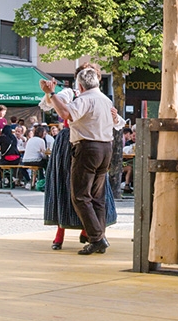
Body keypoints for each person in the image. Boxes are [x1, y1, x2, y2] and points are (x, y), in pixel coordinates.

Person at [41, 64, 123, 255]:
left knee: (80, 195)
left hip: (87, 147)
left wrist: (51, 94)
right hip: (105, 147)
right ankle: (98, 236)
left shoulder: (85, 98)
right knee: (98, 196)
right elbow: (116, 122)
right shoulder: (104, 99)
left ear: (81, 85)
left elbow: (65, 114)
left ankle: (96, 237)